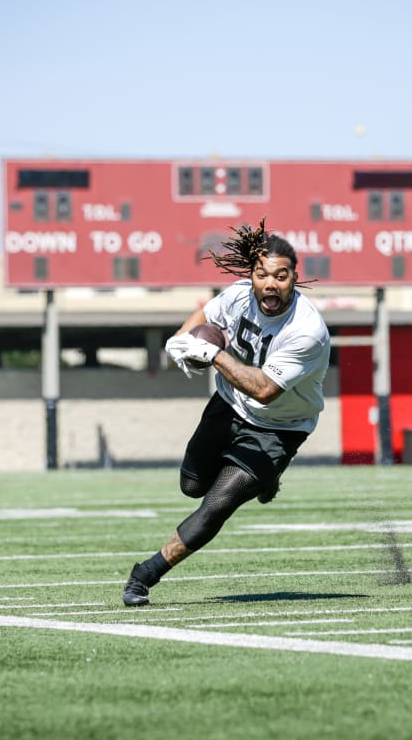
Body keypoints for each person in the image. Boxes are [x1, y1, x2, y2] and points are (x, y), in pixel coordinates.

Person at [122, 219, 330, 606]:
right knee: (192, 486)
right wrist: (179, 342)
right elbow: (204, 317)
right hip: (228, 404)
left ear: (294, 278)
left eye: (281, 276)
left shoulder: (307, 330)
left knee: (217, 504)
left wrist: (214, 354)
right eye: (262, 274)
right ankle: (263, 481)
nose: (270, 284)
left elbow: (265, 390)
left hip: (277, 427)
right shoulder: (237, 294)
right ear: (251, 274)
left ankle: (144, 576)